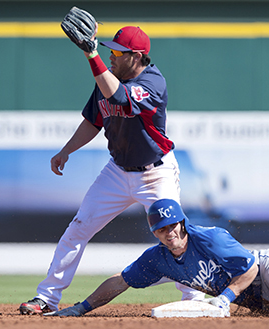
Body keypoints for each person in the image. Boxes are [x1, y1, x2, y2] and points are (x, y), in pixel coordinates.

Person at [19, 24, 203, 315]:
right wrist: (66, 151)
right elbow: (94, 121)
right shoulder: (108, 80)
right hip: (116, 171)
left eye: (118, 52)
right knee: (77, 229)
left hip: (156, 172)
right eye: (108, 50)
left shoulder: (153, 82)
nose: (112, 56)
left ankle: (194, 301)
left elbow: (120, 98)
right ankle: (47, 298)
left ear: (137, 56)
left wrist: (92, 54)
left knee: (174, 234)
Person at [44, 199, 269, 318]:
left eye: (173, 226)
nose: (169, 233)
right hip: (257, 298)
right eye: (162, 229)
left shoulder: (211, 238)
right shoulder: (157, 259)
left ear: (183, 223)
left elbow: (249, 268)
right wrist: (82, 307)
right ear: (155, 234)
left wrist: (226, 297)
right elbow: (122, 280)